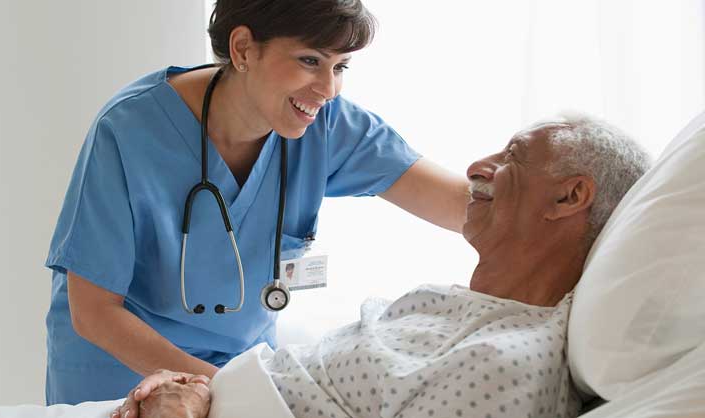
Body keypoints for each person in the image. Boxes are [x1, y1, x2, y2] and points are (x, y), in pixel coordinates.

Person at [44, 0, 469, 405]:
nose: (328, 88)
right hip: (124, 375)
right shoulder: (130, 130)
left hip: (239, 371)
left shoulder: (328, 125)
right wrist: (233, 391)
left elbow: (458, 205)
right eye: (310, 60)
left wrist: (527, 190)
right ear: (243, 48)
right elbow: (95, 312)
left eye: (340, 67)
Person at [112, 115, 652, 418]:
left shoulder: (504, 363)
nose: (476, 166)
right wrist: (193, 389)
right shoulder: (449, 304)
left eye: (513, 156)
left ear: (569, 197)